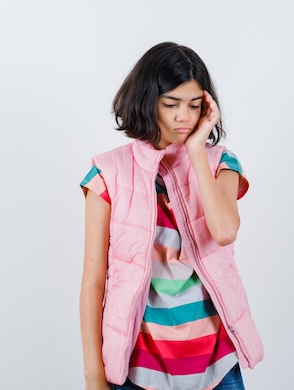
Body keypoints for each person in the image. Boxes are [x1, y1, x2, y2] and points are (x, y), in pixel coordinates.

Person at [79, 42, 263, 390]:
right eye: (171, 104)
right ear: (147, 101)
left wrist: (195, 150)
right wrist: (93, 376)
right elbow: (93, 282)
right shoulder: (107, 174)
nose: (184, 116)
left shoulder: (221, 163)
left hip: (217, 366)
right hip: (137, 368)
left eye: (194, 105)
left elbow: (224, 231)